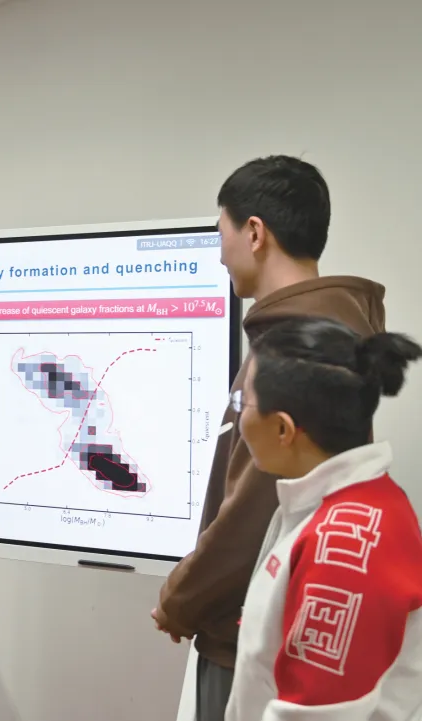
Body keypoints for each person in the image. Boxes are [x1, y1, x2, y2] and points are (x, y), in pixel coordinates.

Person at [151, 155, 388, 721]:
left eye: (222, 234)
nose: (220, 254)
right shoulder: (323, 335)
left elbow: (258, 507)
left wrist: (181, 598)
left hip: (254, 639)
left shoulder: (296, 349)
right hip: (271, 624)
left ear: (255, 232)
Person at [224, 318, 422, 720]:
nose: (238, 418)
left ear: (283, 429)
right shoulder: (352, 502)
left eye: (243, 403)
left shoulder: (344, 548)